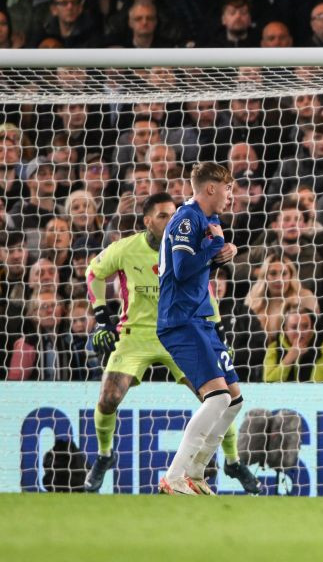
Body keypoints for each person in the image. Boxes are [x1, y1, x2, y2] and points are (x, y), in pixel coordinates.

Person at [80, 193, 258, 494]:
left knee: (217, 397)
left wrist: (216, 328)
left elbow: (202, 287)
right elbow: (93, 273)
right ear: (148, 220)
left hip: (181, 330)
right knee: (108, 398)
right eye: (163, 215)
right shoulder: (124, 250)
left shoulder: (185, 246)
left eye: (173, 214)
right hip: (136, 334)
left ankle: (232, 460)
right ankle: (105, 455)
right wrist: (101, 316)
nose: (171, 219)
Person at [155, 163, 243, 496]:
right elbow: (181, 269)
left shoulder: (209, 220)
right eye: (228, 189)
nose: (231, 196)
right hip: (179, 320)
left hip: (200, 318)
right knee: (218, 396)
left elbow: (207, 259)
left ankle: (195, 473)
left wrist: (225, 252)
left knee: (234, 400)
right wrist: (212, 248)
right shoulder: (187, 219)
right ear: (210, 189)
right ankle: (174, 476)